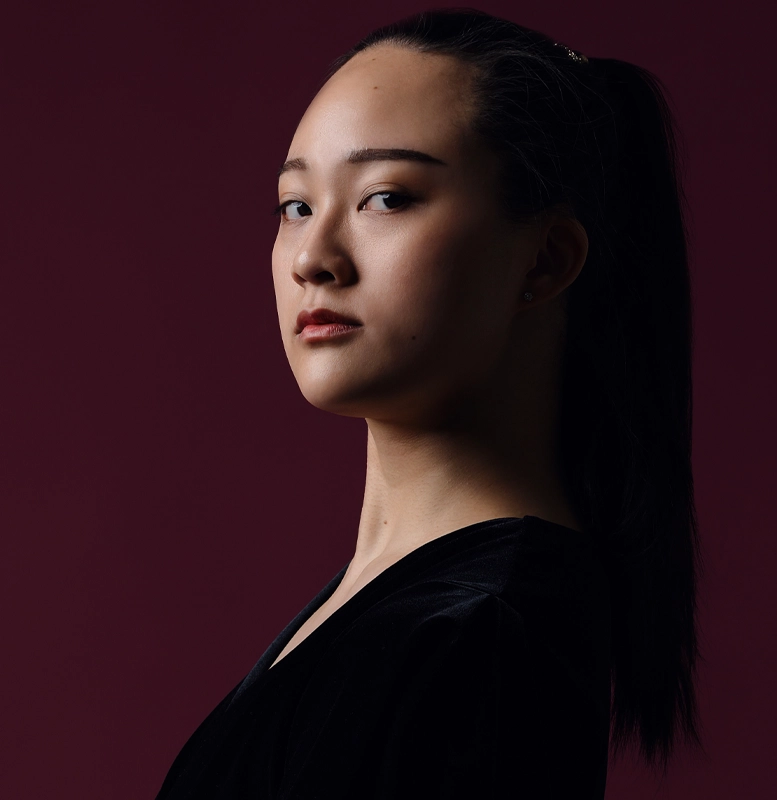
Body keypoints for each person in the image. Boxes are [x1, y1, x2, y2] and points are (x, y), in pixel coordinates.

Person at [155, 7, 704, 798]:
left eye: (386, 197)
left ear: (545, 260)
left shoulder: (481, 634)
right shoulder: (408, 603)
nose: (313, 257)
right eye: (296, 205)